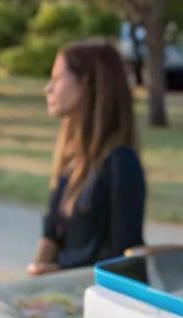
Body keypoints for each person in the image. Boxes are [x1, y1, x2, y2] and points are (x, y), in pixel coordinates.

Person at [28, 39, 145, 274]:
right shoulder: (72, 159)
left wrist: (57, 272)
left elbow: (123, 260)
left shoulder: (121, 163)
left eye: (57, 78)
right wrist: (35, 279)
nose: (48, 88)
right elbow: (51, 232)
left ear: (86, 83)